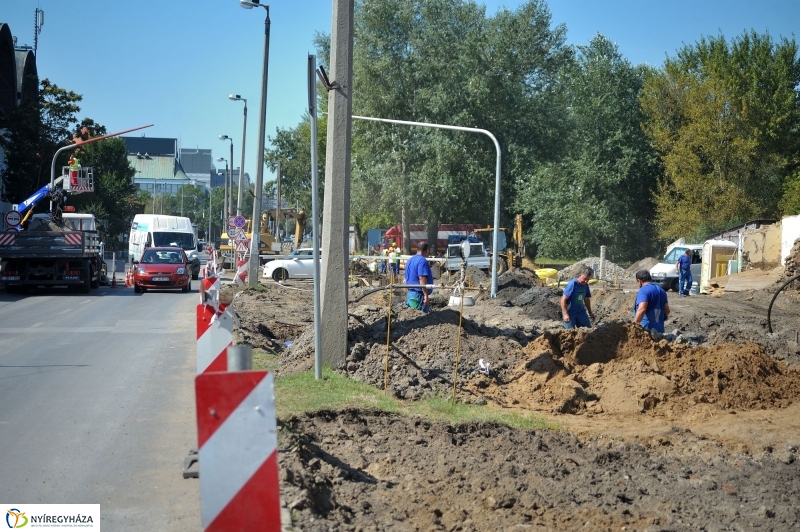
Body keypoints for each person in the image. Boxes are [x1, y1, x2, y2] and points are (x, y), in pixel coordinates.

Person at [404, 242, 434, 312]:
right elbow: (422, 278)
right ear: (426, 250)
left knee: (412, 316)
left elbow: (406, 277)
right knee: (420, 318)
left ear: (417, 249)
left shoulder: (410, 260)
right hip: (418, 296)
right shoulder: (422, 261)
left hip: (411, 293)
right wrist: (426, 295)